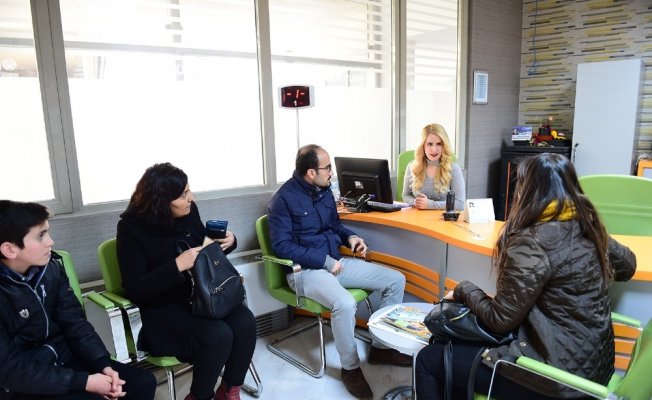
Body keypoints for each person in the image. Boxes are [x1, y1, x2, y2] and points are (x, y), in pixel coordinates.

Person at [415, 153, 637, 400]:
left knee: (429, 360)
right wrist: (597, 232)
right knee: (456, 354)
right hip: (594, 372)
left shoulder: (532, 241)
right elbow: (628, 266)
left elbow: (500, 320)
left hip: (554, 379)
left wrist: (463, 289)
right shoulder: (587, 227)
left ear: (527, 190)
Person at [267, 144, 411, 399]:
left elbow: (334, 226)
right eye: (327, 168)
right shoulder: (282, 200)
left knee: (396, 280)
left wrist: (351, 237)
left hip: (335, 263)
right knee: (344, 304)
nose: (331, 172)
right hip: (305, 271)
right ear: (311, 172)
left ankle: (381, 349)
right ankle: (350, 368)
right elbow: (282, 246)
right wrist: (323, 261)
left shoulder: (324, 191)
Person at [116, 163, 256, 400]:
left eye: (189, 190)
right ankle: (199, 396)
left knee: (245, 322)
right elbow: (135, 288)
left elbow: (203, 249)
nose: (191, 198)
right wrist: (177, 265)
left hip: (201, 295)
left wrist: (228, 242)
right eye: (183, 195)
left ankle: (229, 390)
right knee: (219, 335)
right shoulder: (131, 228)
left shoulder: (189, 211)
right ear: (162, 201)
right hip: (163, 307)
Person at [0, 200, 156, 400]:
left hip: (63, 356)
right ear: (10, 249)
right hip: (21, 380)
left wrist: (103, 364)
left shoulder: (50, 268)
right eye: (40, 236)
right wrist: (84, 382)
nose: (50, 242)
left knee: (142, 383)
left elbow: (74, 322)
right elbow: (10, 368)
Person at [402, 123, 465, 210]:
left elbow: (460, 204)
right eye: (430, 144)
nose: (434, 149)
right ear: (423, 146)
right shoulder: (412, 166)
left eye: (438, 144)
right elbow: (405, 195)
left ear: (444, 146)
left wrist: (430, 205)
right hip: (417, 216)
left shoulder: (454, 169)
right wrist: (416, 202)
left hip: (442, 218)